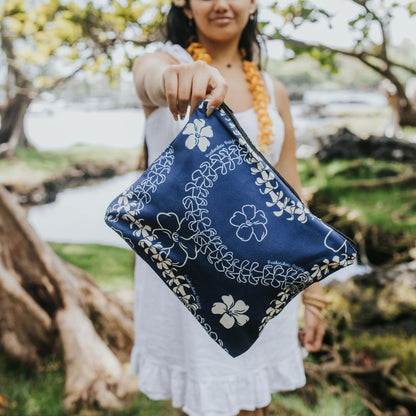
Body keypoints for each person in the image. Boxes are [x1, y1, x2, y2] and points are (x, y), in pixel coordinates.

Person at [131, 1, 328, 415]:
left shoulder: (273, 91)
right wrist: (178, 77)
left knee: (254, 404)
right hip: (186, 277)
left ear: (254, 3)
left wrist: (314, 295)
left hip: (262, 275)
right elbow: (150, 81)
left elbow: (291, 196)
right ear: (186, 6)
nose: (221, 3)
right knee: (200, 400)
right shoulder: (163, 63)